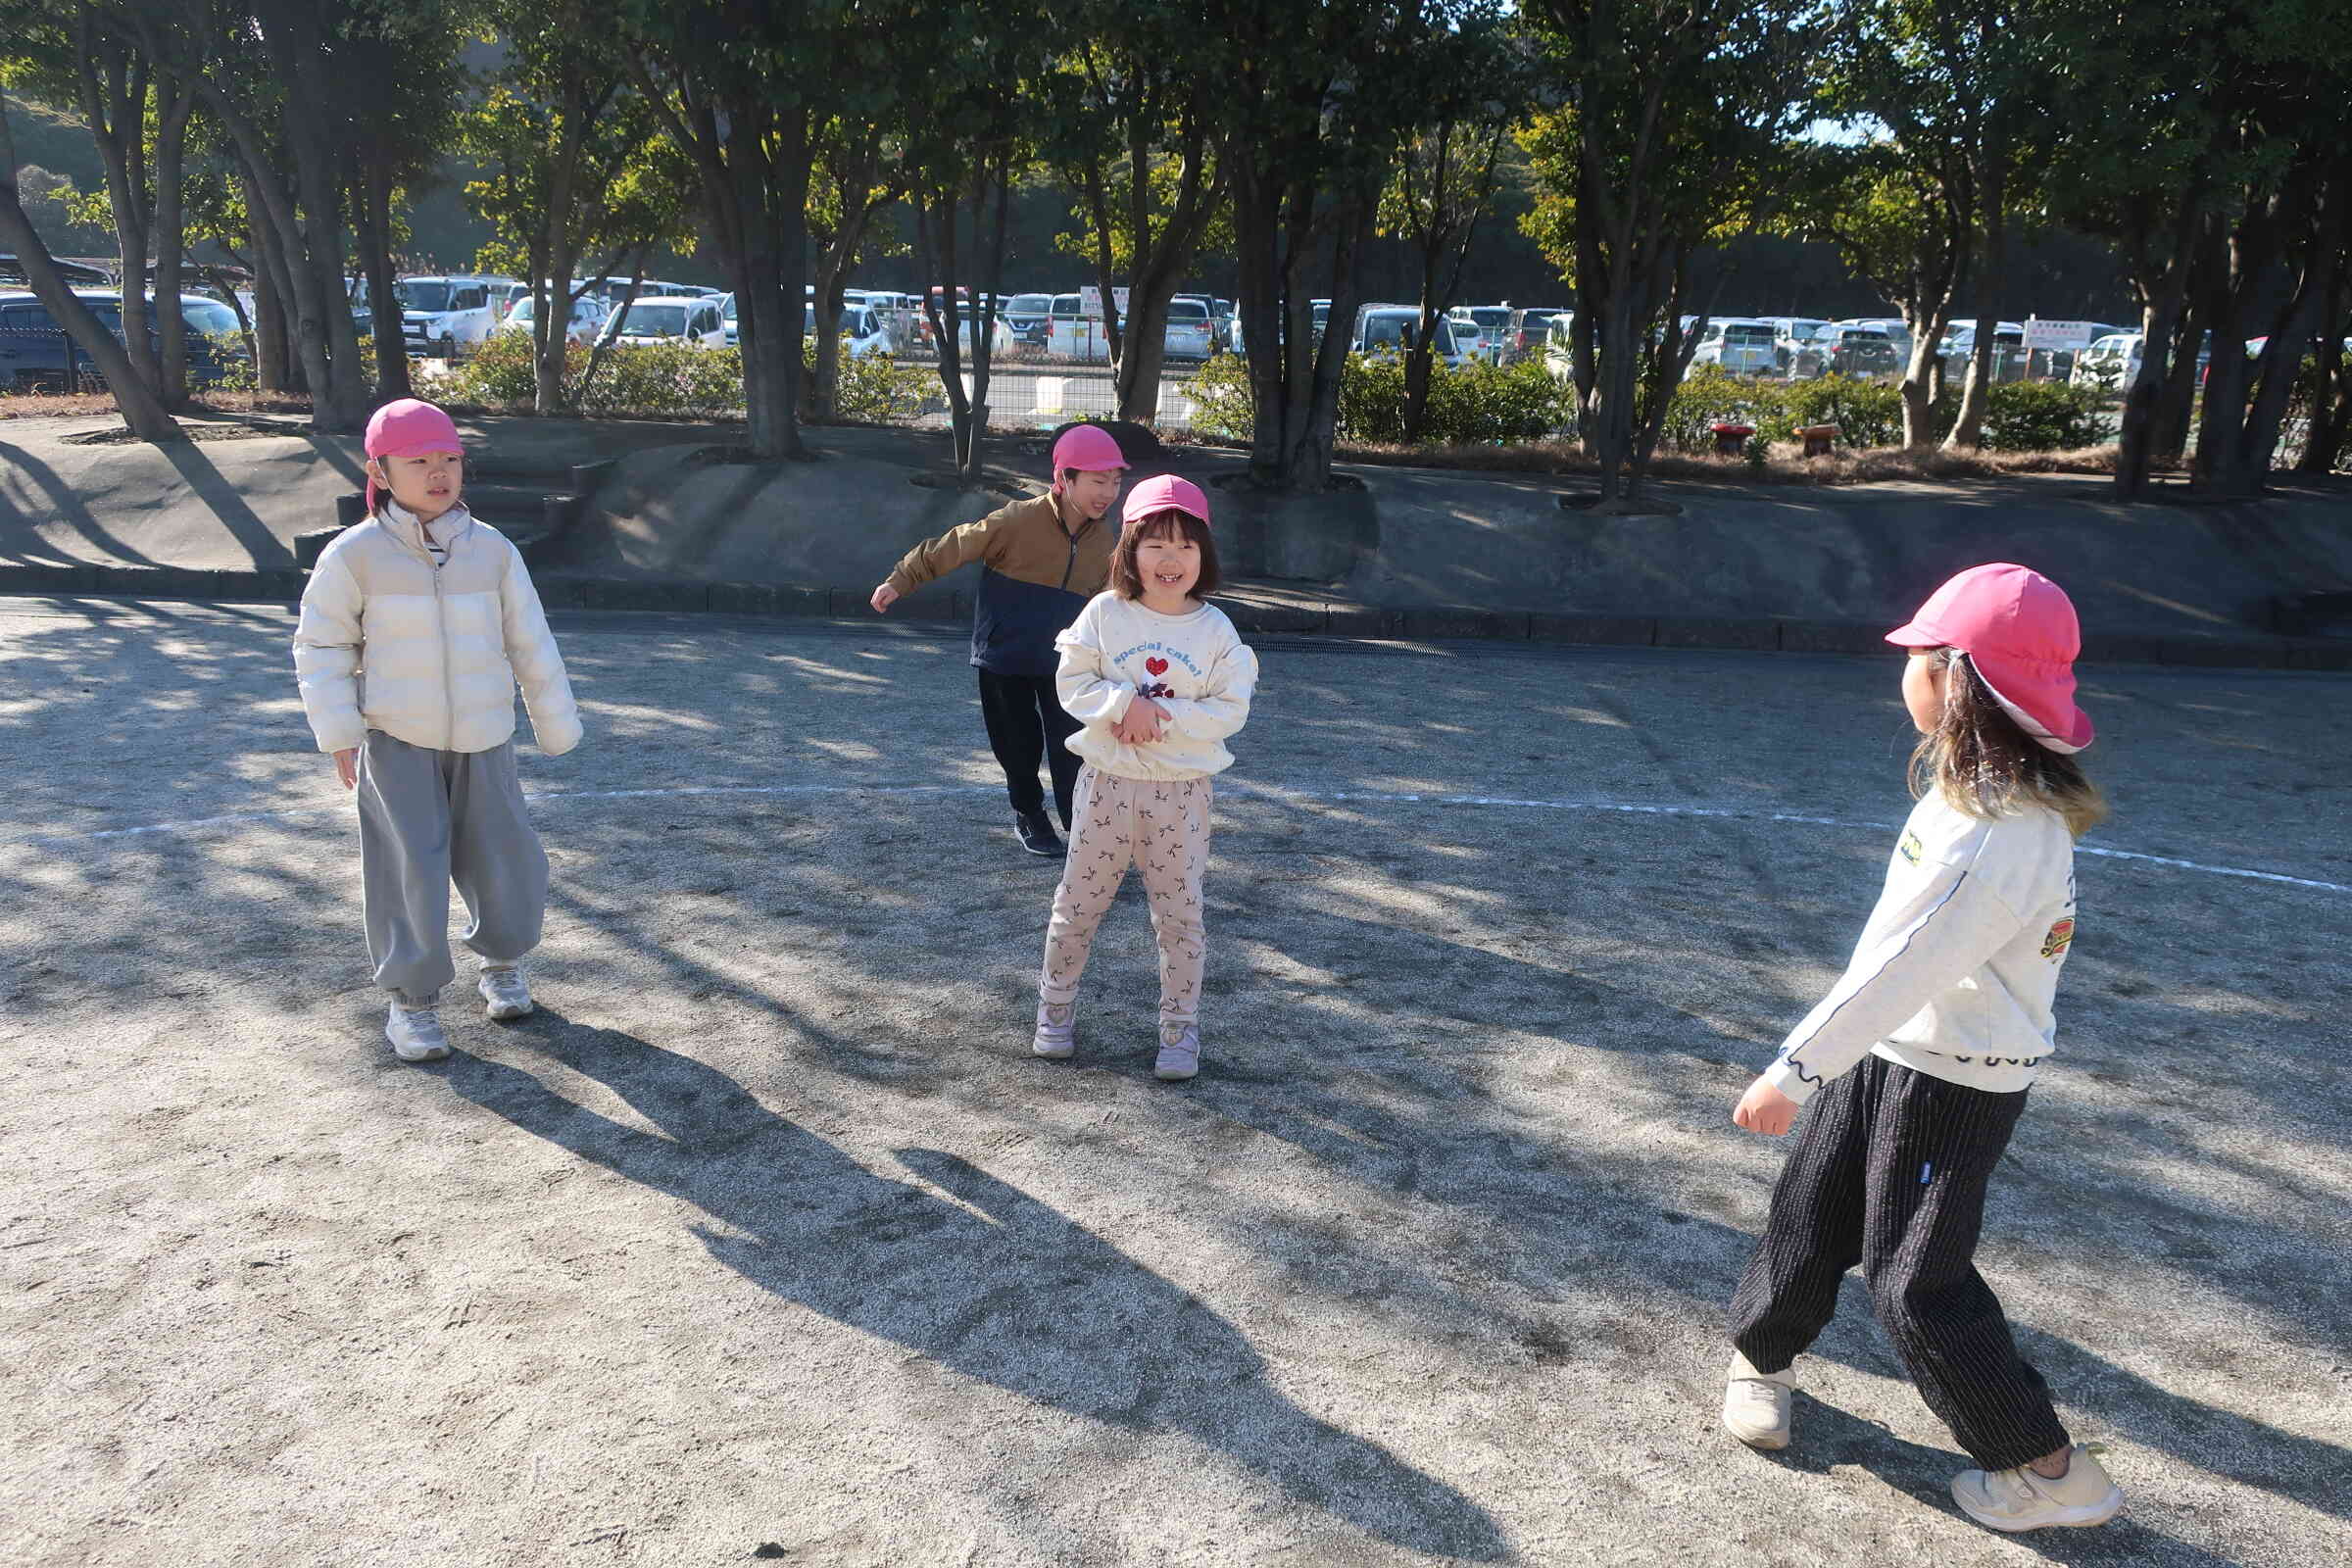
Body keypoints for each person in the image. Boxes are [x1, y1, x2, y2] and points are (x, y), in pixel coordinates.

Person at [1720, 563, 2123, 1534]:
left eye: (1916, 655)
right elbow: (1894, 969)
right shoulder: (1976, 791)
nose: (1901, 669)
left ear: (1958, 676)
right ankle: (1760, 1355)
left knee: (1916, 1281)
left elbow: (1903, 966)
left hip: (1955, 1079)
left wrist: (1793, 1069)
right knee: (1812, 1203)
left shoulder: (1996, 831)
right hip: (1897, 1049)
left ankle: (2046, 1469)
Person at [292, 399, 582, 1063]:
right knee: (408, 870)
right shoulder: (354, 556)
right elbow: (321, 646)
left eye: (449, 458)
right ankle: (412, 1004)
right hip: (397, 740)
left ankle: (504, 963)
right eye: (419, 461)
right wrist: (340, 731)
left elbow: (530, 641)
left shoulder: (494, 551)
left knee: (505, 859)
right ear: (380, 471)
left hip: (485, 737)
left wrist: (552, 720)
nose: (438, 472)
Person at [1031, 475, 1257, 1082]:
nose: (1170, 558)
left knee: (1180, 916)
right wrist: (1118, 704)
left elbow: (1230, 709)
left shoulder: (1216, 631)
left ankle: (1179, 1032)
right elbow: (1072, 680)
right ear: (1129, 549)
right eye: (1155, 543)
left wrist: (1157, 715)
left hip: (1181, 795)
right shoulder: (1105, 614)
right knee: (1076, 907)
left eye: (1186, 545)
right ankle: (1055, 1014)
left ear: (1203, 554)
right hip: (1107, 785)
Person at [869, 423, 1127, 858]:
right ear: (1064, 479)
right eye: (1099, 481)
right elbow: (955, 545)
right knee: (1016, 745)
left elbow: (1108, 598)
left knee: (1075, 748)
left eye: (1116, 482)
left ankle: (1085, 833)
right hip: (1004, 656)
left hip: (1066, 663)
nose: (1108, 492)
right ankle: (1028, 812)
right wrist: (903, 578)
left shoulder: (1105, 537)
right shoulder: (1017, 519)